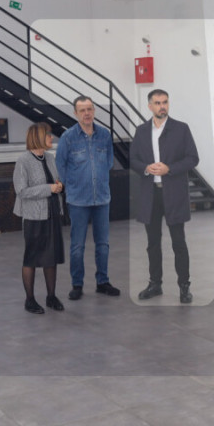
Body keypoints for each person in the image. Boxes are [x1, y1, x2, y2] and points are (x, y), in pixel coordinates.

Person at [130, 89, 199, 303]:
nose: (162, 106)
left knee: (179, 242)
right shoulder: (141, 131)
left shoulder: (181, 129)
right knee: (152, 243)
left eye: (165, 102)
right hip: (150, 195)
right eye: (158, 103)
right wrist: (146, 168)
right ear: (150, 106)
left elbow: (192, 158)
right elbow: (133, 159)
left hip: (174, 194)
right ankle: (155, 284)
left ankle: (184, 287)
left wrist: (170, 168)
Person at [55, 95, 120, 300]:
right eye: (82, 110)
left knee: (103, 244)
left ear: (94, 111)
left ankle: (103, 282)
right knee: (77, 245)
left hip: (101, 198)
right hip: (78, 200)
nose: (87, 113)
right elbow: (60, 164)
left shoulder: (104, 135)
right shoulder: (68, 137)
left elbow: (109, 161)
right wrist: (73, 185)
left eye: (90, 109)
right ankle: (77, 284)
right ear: (75, 113)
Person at [13, 122, 65, 314]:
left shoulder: (50, 158)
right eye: (48, 134)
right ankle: (30, 300)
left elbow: (55, 181)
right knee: (32, 258)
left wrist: (59, 186)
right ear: (38, 137)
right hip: (33, 217)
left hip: (52, 213)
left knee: (51, 256)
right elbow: (21, 191)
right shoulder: (23, 161)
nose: (51, 137)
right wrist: (49, 188)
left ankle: (51, 297)